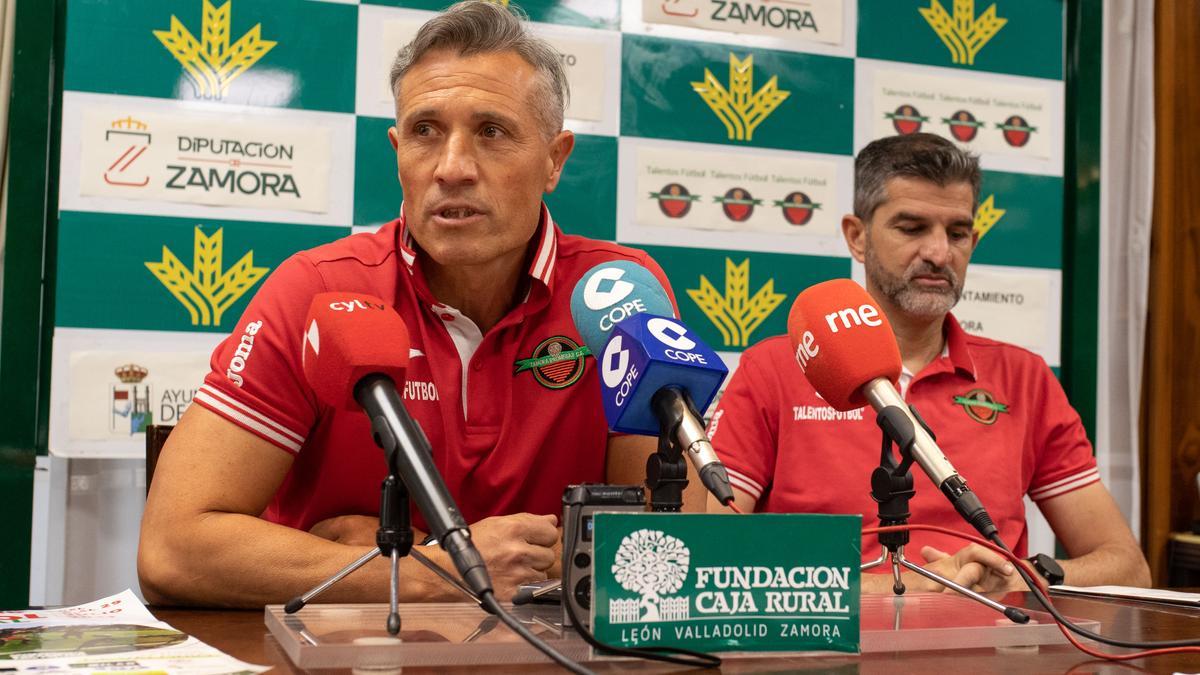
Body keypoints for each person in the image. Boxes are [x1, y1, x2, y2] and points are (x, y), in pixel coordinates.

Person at [138, 1, 698, 607]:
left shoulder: (617, 292)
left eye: (492, 132)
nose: (452, 168)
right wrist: (436, 571)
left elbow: (668, 543)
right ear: (397, 148)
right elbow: (171, 551)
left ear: (554, 160)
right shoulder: (317, 291)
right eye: (425, 131)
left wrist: (354, 551)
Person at [706, 133, 1151, 593]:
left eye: (957, 233)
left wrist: (1023, 578)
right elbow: (710, 557)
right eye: (912, 228)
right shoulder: (775, 368)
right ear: (857, 237)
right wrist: (912, 589)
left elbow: (1127, 567)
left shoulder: (1024, 378)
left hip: (989, 654)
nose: (939, 253)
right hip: (830, 654)